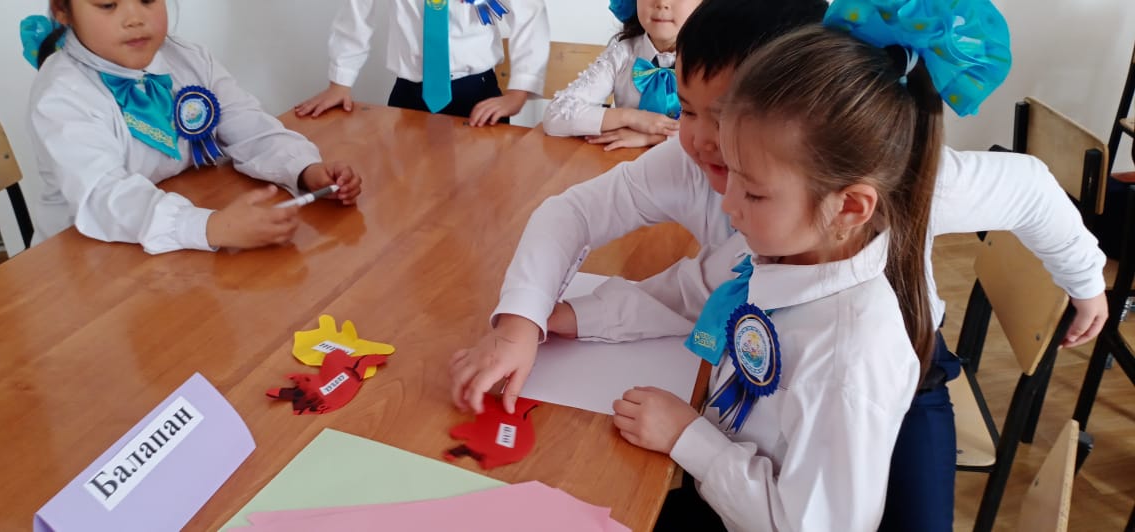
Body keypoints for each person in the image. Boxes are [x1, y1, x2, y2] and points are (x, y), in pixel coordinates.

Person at [450, 0, 1107, 529]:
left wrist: (1086, 285)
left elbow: (1031, 190)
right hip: (767, 378)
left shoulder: (884, 179)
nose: (700, 143)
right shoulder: (752, 213)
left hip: (902, 385)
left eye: (726, 119)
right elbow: (701, 286)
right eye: (685, 109)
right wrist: (532, 320)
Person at [24, 0, 361, 254]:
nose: (134, 19)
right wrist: (210, 227)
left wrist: (304, 169)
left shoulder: (189, 59)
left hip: (174, 251)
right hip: (87, 261)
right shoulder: (61, 95)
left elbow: (249, 126)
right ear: (62, 10)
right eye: (108, 5)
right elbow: (105, 196)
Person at [294, 0, 549, 127]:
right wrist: (340, 81)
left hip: (477, 98)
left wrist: (518, 92)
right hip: (408, 96)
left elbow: (530, 16)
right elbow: (356, 12)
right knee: (407, 185)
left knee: (483, 190)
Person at [541, 0, 700, 151]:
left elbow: (713, 131)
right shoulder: (622, 54)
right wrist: (631, 118)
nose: (662, 2)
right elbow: (556, 115)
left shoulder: (710, 62)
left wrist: (654, 138)